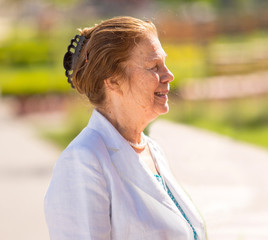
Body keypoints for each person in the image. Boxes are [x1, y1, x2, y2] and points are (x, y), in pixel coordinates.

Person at [44, 16, 206, 240]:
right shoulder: (83, 161)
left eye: (164, 64)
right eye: (154, 67)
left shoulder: (153, 151)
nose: (169, 75)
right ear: (112, 80)